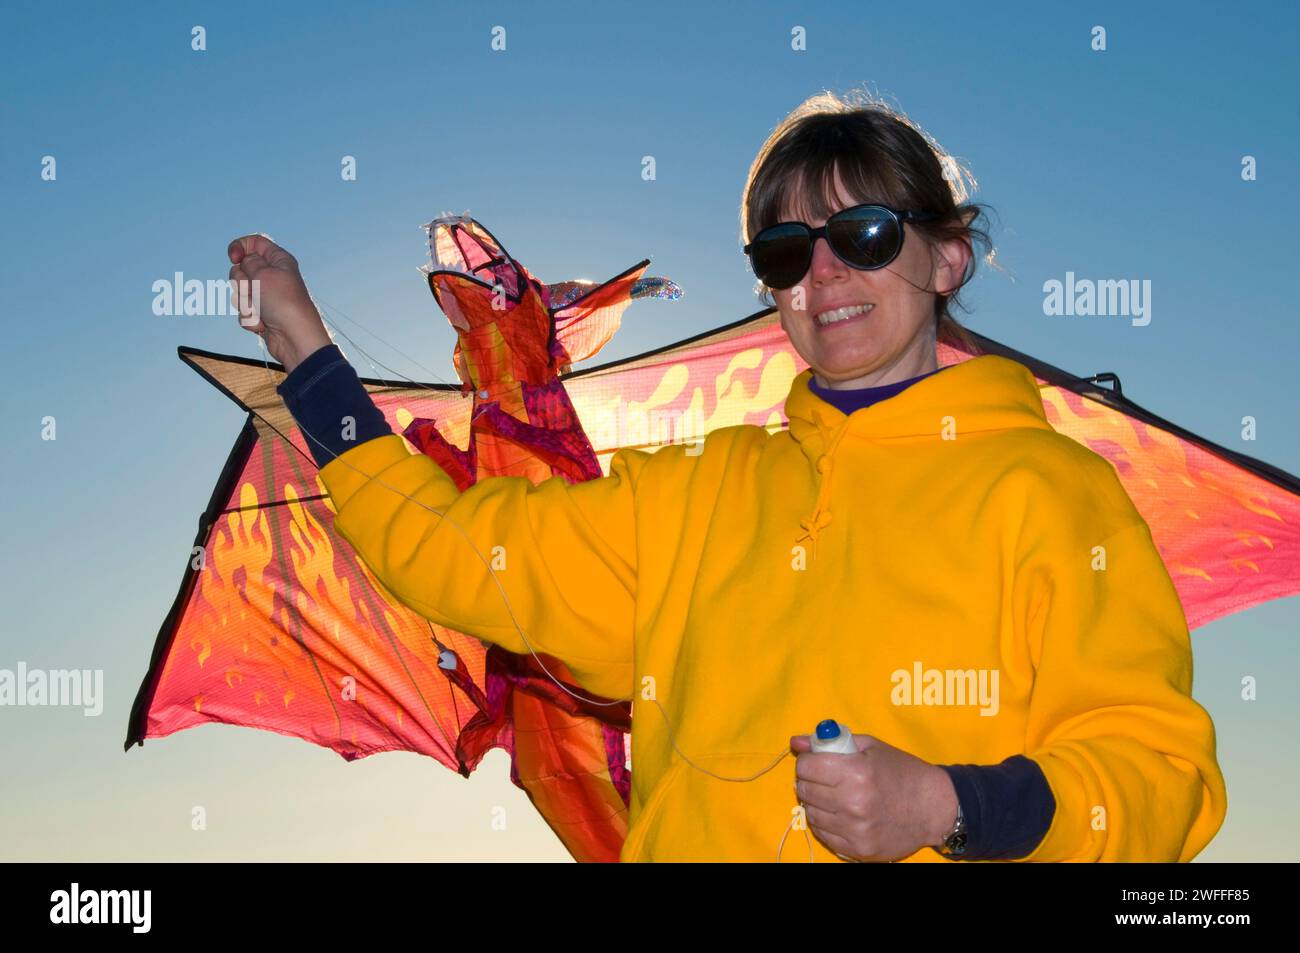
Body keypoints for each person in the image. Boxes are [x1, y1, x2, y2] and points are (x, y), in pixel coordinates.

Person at [226, 90, 1226, 862]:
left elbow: (1159, 776)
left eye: (864, 235)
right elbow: (447, 547)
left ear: (948, 257)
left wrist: (948, 803)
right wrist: (309, 354)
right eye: (787, 251)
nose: (822, 274)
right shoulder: (689, 495)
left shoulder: (1052, 491)